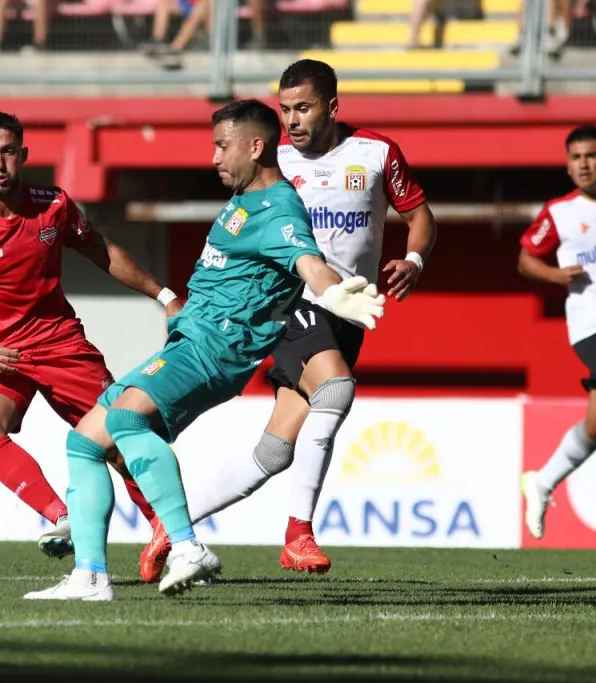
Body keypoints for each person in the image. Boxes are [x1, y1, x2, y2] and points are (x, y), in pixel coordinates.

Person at [23, 98, 386, 601]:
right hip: (191, 338)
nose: (214, 157)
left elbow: (308, 261)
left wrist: (333, 291)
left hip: (214, 348)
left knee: (127, 421)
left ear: (256, 146)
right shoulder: (243, 200)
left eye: (222, 146)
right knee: (84, 442)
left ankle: (187, 545)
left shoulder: (278, 205)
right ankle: (89, 576)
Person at [138, 60, 437, 582]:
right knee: (338, 388)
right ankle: (298, 533)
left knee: (274, 452)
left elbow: (419, 215)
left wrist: (413, 261)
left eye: (303, 108)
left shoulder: (376, 153)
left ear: (332, 107)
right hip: (290, 303)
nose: (292, 120)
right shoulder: (270, 162)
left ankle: (171, 525)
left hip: (348, 311)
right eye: (285, 110)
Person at [0, 111, 178, 558]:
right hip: (0, 353)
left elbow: (101, 251)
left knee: (114, 440)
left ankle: (166, 529)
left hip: (60, 344)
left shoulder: (54, 205)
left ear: (24, 155)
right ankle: (61, 517)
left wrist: (165, 295)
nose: (1, 164)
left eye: (9, 153)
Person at [519, 124, 596, 540]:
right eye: (577, 158)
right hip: (589, 325)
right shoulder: (560, 213)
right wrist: (554, 273)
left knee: (595, 425)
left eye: (591, 156)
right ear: (568, 167)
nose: (584, 164)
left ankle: (543, 481)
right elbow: (526, 258)